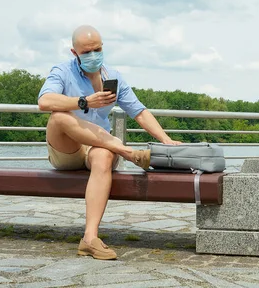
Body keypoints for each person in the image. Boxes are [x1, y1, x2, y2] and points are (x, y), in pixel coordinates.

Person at [37, 25, 181, 260]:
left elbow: (139, 112)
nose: (93, 55)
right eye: (87, 52)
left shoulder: (113, 77)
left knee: (103, 156)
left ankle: (90, 239)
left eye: (98, 49)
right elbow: (44, 101)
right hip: (68, 149)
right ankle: (127, 152)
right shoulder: (62, 71)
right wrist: (84, 102)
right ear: (75, 53)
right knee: (58, 116)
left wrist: (165, 139)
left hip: (100, 146)